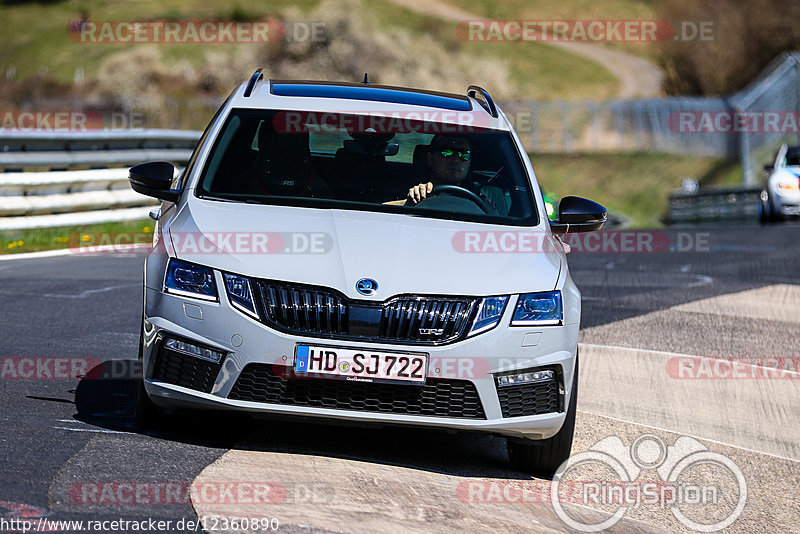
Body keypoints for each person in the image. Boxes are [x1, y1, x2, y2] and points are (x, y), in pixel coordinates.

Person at [406, 134, 509, 215]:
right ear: (430, 158)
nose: (456, 160)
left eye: (464, 155)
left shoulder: (482, 203)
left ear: (469, 162)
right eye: (447, 152)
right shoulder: (417, 194)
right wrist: (411, 200)